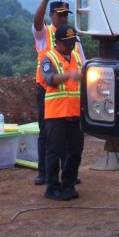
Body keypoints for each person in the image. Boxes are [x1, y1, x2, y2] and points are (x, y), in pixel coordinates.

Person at [31, 0, 85, 185]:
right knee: (47, 133)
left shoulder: (73, 37)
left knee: (69, 135)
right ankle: (44, 172)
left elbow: (83, 63)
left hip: (71, 94)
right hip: (47, 89)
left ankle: (68, 172)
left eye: (65, 15)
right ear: (51, 15)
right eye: (59, 14)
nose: (63, 18)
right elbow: (36, 22)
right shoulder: (45, 33)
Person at [40, 25, 84, 201]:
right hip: (56, 113)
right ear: (57, 42)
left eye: (73, 42)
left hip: (75, 111)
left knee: (75, 150)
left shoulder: (77, 57)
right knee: (54, 151)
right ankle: (52, 187)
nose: (71, 46)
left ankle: (68, 184)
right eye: (67, 43)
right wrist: (70, 75)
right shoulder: (48, 58)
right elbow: (49, 79)